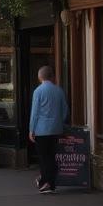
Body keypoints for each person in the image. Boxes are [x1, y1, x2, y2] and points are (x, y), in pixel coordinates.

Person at [29, 66, 69, 195]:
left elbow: (34, 113)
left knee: (44, 157)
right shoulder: (59, 91)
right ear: (52, 76)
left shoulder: (38, 91)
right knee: (52, 156)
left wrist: (31, 129)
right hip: (56, 129)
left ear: (40, 77)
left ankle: (46, 182)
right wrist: (59, 122)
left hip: (41, 130)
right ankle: (49, 183)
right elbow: (65, 110)